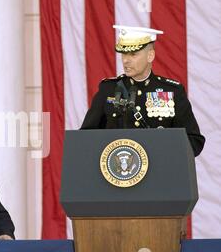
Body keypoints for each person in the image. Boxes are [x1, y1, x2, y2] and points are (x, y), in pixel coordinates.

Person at [81, 25, 205, 156]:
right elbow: (86, 137)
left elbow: (194, 140)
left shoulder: (172, 91)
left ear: (150, 55)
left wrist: (166, 153)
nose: (126, 60)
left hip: (159, 172)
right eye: (123, 54)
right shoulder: (109, 89)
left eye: (133, 54)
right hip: (118, 171)